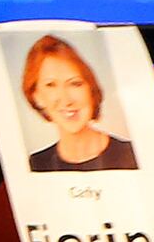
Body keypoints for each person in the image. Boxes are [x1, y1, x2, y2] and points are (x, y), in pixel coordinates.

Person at [20, 35, 139, 172]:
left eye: (75, 84)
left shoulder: (133, 155)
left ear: (91, 89)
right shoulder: (35, 165)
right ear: (37, 96)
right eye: (51, 85)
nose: (66, 100)